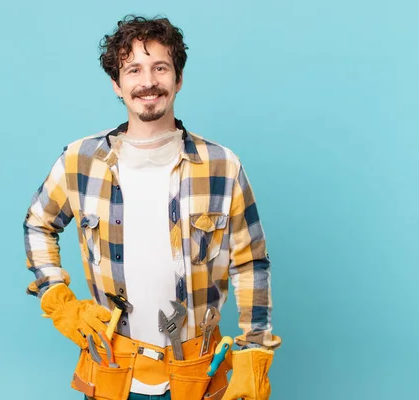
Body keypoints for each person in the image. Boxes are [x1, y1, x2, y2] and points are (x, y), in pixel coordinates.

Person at [23, 15, 281, 400]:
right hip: (111, 370)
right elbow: (38, 223)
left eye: (160, 68)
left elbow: (250, 263)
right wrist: (57, 299)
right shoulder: (79, 161)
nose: (148, 82)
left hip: (199, 374)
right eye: (133, 70)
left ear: (178, 79)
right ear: (117, 84)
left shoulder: (222, 166)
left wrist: (253, 352)